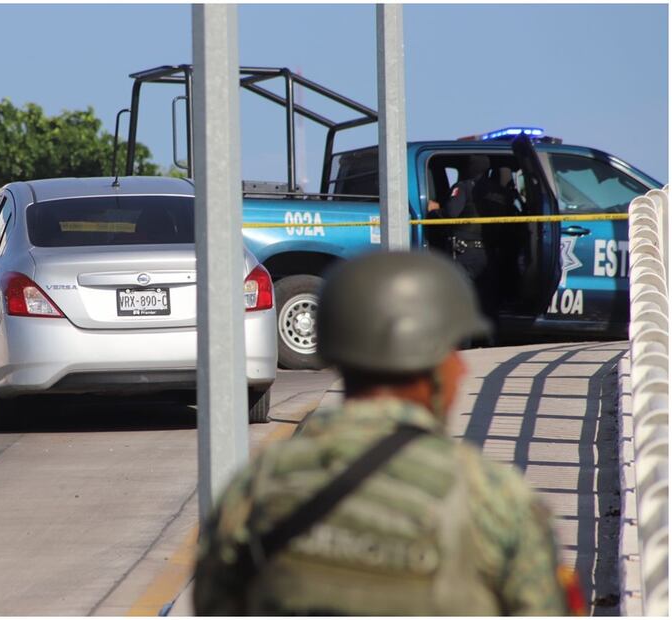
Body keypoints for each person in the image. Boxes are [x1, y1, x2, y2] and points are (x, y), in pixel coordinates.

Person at [192, 251, 575, 615]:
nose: (462, 369)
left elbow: (214, 602)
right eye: (454, 351)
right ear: (435, 365)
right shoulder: (491, 498)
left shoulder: (258, 488)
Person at [427, 155, 501, 331]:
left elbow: (450, 214)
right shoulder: (499, 192)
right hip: (489, 253)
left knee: (462, 300)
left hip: (464, 252)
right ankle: (491, 342)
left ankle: (465, 345)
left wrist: (435, 209)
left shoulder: (464, 187)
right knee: (487, 302)